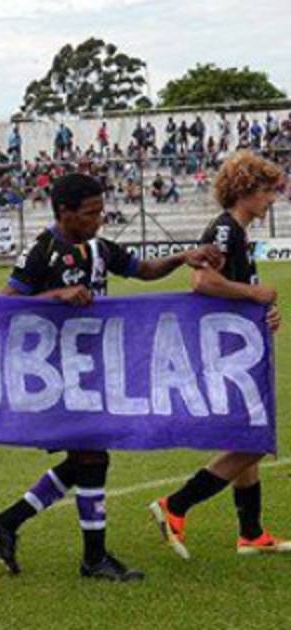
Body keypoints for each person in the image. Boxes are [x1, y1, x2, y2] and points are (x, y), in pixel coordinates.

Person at [0, 173, 222, 582]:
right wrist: (55, 296)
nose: (99, 219)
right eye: (90, 213)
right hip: (54, 373)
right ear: (64, 212)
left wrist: (183, 257)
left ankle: (9, 522)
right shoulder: (42, 251)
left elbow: (144, 270)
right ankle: (93, 558)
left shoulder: (98, 247)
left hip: (92, 369)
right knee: (92, 457)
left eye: (100, 211)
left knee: (86, 458)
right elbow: (1, 308)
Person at [149, 151, 288, 558]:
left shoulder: (236, 232)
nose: (272, 199)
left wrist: (263, 312)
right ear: (246, 190)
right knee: (253, 441)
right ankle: (175, 505)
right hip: (224, 353)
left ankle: (251, 534)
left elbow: (234, 292)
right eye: (267, 191)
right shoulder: (225, 229)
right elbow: (202, 281)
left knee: (244, 436)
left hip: (235, 348)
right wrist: (255, 294)